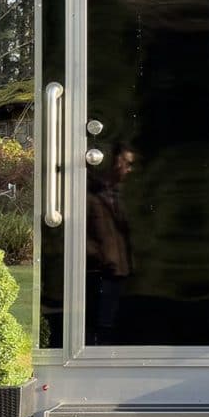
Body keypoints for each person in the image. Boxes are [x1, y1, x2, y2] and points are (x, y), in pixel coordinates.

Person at [86, 143, 136, 344]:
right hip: (99, 270)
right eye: (127, 163)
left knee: (111, 321)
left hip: (117, 270)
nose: (129, 169)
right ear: (116, 163)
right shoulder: (91, 194)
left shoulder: (118, 194)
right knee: (98, 323)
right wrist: (99, 257)